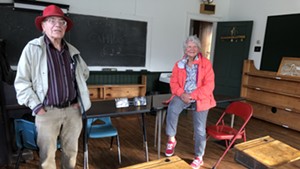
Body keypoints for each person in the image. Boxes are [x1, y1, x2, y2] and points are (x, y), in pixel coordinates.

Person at [14, 5, 91, 169]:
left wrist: (79, 99)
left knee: (71, 153)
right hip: (46, 112)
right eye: (51, 21)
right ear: (43, 26)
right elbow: (21, 82)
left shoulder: (72, 51)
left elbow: (83, 73)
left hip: (72, 111)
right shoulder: (32, 49)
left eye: (61, 22)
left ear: (65, 27)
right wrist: (36, 106)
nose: (57, 25)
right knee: (47, 157)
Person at [164, 35, 216, 169]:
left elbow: (209, 86)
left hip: (200, 97)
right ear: (185, 49)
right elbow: (173, 82)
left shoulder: (206, 64)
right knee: (172, 108)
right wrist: (182, 94)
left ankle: (199, 157)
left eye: (194, 46)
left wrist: (192, 95)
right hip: (182, 95)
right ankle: (171, 139)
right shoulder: (179, 64)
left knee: (199, 129)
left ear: (198, 48)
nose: (191, 49)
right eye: (189, 47)